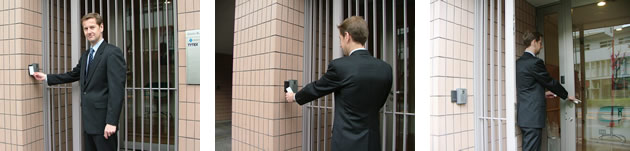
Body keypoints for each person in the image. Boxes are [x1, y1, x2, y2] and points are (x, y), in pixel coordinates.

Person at [285, 16, 392, 151]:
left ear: (347, 36)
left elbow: (318, 87)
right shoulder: (386, 69)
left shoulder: (340, 66)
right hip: (372, 141)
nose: (341, 45)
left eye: (340, 39)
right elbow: (379, 103)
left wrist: (295, 96)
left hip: (346, 142)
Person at [33, 13, 126, 151]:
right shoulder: (86, 55)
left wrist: (111, 122)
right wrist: (47, 77)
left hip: (104, 123)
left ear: (101, 27)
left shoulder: (112, 53)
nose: (89, 31)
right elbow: (73, 74)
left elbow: (116, 91)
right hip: (89, 122)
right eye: (85, 28)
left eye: (92, 27)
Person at [516, 31, 580, 151]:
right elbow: (550, 82)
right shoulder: (535, 62)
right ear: (534, 42)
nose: (542, 46)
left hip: (524, 115)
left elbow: (527, 87)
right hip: (533, 117)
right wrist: (566, 95)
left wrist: (543, 93)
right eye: (540, 43)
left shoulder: (519, 63)